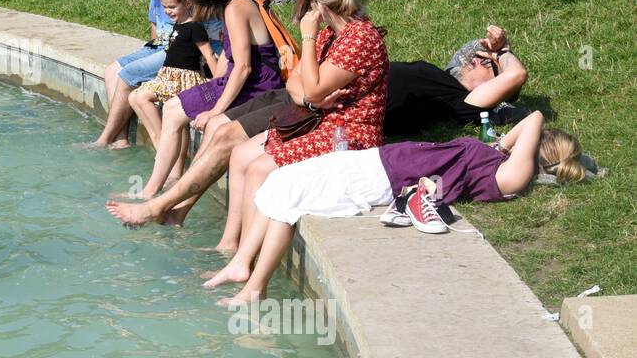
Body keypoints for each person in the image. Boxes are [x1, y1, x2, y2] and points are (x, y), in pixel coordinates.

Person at [207, 111, 583, 306]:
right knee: (281, 180)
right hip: (384, 161)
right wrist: (507, 144)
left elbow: (534, 118)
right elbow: (520, 132)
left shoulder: (512, 175)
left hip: (383, 175)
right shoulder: (503, 159)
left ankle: (256, 287)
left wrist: (526, 150)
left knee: (291, 192)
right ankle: (242, 263)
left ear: (537, 151)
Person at [213, 0, 388, 263]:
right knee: (241, 155)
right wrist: (311, 97)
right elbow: (295, 83)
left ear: (317, 3)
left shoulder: (359, 39)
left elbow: (314, 89)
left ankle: (243, 261)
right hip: (318, 120)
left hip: (349, 135)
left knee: (258, 168)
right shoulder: (331, 35)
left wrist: (307, 40)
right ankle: (229, 243)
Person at [136, 0, 284, 199]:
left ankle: (159, 192)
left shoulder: (235, 9)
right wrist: (209, 89)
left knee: (181, 115)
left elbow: (244, 67)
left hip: (258, 86)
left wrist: (216, 109)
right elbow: (229, 55)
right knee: (172, 109)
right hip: (241, 80)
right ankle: (160, 187)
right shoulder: (234, 3)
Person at [94, 0, 192, 148]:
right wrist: (154, 48)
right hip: (162, 43)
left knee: (128, 74)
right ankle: (120, 141)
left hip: (182, 48)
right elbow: (154, 18)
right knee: (112, 71)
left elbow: (194, 25)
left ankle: (104, 139)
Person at [127, 0, 216, 186]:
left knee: (175, 121)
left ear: (187, 3)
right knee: (136, 97)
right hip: (169, 76)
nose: (168, 11)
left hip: (185, 78)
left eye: (172, 6)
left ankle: (172, 163)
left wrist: (217, 81)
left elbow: (209, 56)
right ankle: (163, 145)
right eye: (165, 7)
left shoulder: (195, 27)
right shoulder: (177, 23)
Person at [386, 24, 528, 135]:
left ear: (495, 86)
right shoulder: (449, 76)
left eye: (487, 63)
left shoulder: (463, 103)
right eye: (481, 57)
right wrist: (497, 44)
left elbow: (518, 74)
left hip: (369, 100)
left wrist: (503, 53)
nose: (476, 59)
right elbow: (472, 47)